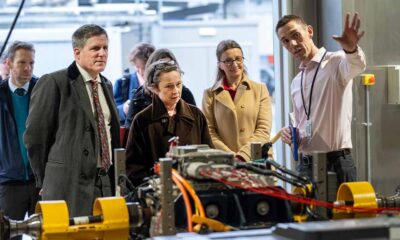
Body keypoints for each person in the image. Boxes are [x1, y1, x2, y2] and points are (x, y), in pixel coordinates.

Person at [24, 24, 120, 217]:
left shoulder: (107, 85)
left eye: (105, 48)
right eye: (95, 48)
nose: (102, 53)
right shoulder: (54, 82)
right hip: (67, 186)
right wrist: (45, 180)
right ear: (77, 52)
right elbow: (35, 138)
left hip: (104, 185)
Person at [276, 13, 366, 186]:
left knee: (343, 214)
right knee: (304, 214)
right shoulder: (296, 82)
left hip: (336, 163)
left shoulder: (336, 62)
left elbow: (357, 65)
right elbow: (302, 124)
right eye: (285, 41)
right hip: (305, 166)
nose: (293, 44)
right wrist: (292, 135)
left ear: (309, 31)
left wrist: (351, 49)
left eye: (295, 35)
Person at [125, 59, 213, 185]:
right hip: (158, 193)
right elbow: (133, 167)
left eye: (178, 84)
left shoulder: (196, 115)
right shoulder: (142, 120)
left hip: (194, 189)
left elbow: (209, 154)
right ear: (154, 88)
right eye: (169, 86)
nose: (176, 90)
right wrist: (155, 184)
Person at [202, 39, 272, 161]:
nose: (234, 64)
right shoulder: (209, 94)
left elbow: (263, 130)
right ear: (220, 65)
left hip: (256, 160)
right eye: (228, 61)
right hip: (225, 162)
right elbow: (209, 133)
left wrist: (242, 156)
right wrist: (231, 157)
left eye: (238, 59)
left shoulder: (260, 89)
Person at [0, 41, 39, 232]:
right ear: (8, 63)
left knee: (48, 233)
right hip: (8, 182)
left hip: (41, 182)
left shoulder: (44, 91)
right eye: (22, 62)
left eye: (31, 63)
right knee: (6, 234)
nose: (28, 68)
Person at [124, 48, 196, 129]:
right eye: (161, 66)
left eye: (169, 65)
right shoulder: (139, 96)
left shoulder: (185, 93)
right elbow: (130, 130)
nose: (166, 70)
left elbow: (195, 127)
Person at [113, 42, 156, 125]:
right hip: (132, 131)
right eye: (137, 67)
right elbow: (112, 112)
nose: (139, 71)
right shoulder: (122, 83)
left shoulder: (161, 82)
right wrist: (124, 109)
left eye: (143, 68)